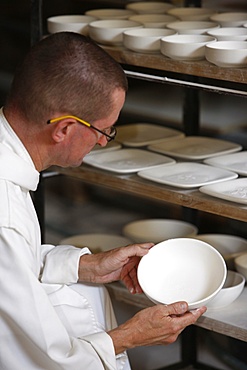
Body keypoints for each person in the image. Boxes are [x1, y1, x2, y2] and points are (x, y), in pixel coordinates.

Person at [0, 32, 206, 370]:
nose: (103, 143)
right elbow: (32, 355)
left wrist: (85, 266)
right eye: (105, 130)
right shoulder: (4, 212)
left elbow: (12, 267)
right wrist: (130, 335)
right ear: (64, 129)